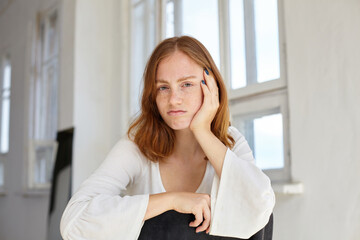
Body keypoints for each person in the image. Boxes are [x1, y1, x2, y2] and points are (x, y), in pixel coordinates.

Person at [60, 36, 275, 240]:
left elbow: (261, 207)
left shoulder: (229, 141)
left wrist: (202, 131)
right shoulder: (138, 144)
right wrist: (172, 200)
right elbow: (73, 222)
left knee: (258, 213)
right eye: (163, 87)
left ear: (211, 87)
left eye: (186, 84)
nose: (173, 100)